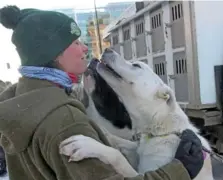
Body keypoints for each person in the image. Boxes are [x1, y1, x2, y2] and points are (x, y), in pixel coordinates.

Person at [0, 5, 204, 180]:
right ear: (53, 52)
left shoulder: (20, 101)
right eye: (75, 43)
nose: (84, 50)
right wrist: (180, 169)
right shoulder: (66, 121)